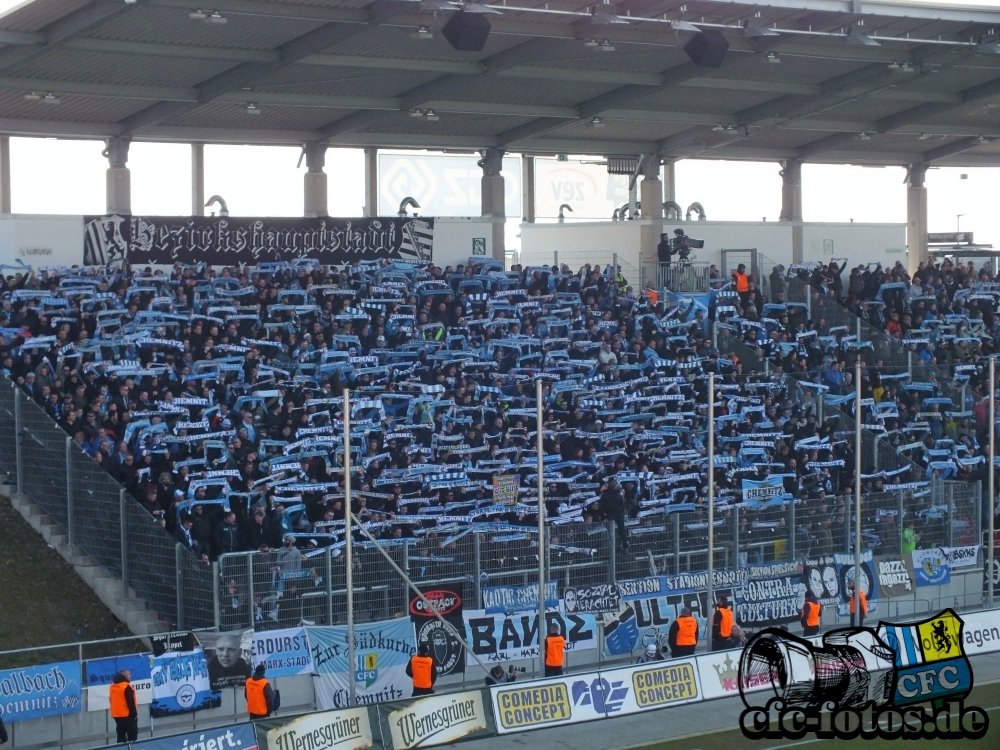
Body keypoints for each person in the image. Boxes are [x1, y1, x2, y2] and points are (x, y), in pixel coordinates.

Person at [109, 669, 138, 742]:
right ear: (125, 675)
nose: (130, 675)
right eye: (129, 674)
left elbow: (111, 699)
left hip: (116, 715)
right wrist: (134, 715)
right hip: (127, 715)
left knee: (121, 736)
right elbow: (130, 702)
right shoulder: (126, 686)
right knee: (132, 736)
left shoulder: (112, 686)